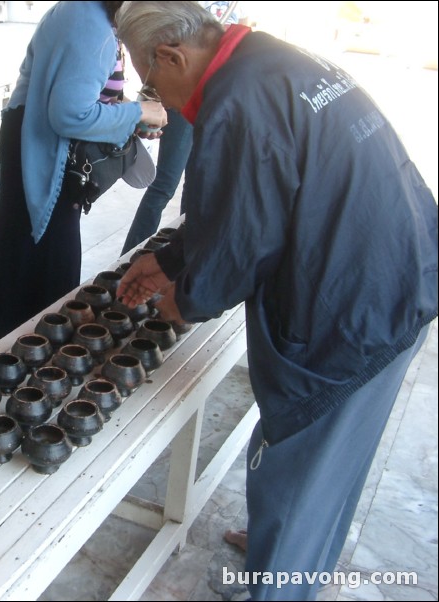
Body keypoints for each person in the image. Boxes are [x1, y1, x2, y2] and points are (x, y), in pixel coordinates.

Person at [114, 2, 438, 600]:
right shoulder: (271, 61)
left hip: (356, 308)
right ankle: (282, 547)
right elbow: (258, 193)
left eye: (154, 84)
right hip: (403, 273)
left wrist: (185, 299)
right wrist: (173, 258)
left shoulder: (239, 100)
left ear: (170, 56)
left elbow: (241, 241)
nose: (163, 99)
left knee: (307, 470)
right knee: (324, 470)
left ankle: (282, 573)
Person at [0, 0, 167, 342]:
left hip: (41, 144)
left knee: (38, 263)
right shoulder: (86, 20)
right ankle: (23, 363)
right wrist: (137, 113)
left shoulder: (94, 16)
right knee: (39, 270)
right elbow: (69, 115)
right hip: (41, 150)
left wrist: (128, 116)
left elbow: (82, 100)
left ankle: (27, 359)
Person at [120, 1, 247, 255]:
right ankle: (133, 255)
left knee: (197, 182)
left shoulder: (233, 7)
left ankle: (185, 252)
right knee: (168, 182)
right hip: (184, 92)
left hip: (212, 97)